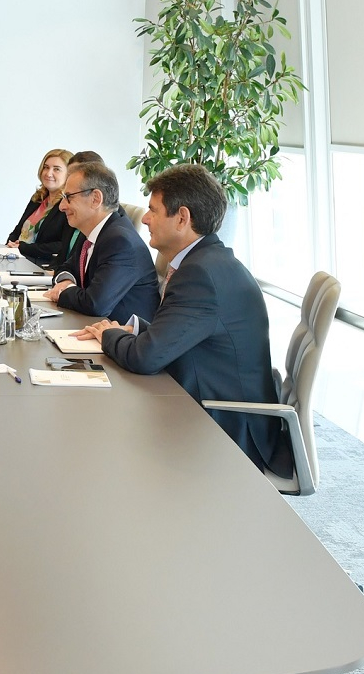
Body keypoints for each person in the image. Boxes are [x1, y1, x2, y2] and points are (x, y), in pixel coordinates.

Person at [71, 163, 289, 475]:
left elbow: (145, 357)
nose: (145, 219)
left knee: (106, 440)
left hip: (226, 427)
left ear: (182, 218)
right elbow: (187, 334)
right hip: (205, 398)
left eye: (153, 210)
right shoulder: (209, 261)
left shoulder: (200, 274)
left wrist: (108, 334)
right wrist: (135, 329)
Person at [41, 161, 159, 323]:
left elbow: (95, 304)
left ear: (96, 199)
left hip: (122, 334)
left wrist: (64, 291)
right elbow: (65, 267)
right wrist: (67, 281)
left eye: (68, 197)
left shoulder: (120, 242)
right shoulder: (91, 231)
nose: (62, 206)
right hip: (91, 325)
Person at [5, 149, 73, 267]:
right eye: (46, 167)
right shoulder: (38, 198)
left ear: (69, 174)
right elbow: (18, 230)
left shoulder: (68, 205)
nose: (48, 173)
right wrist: (10, 244)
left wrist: (23, 248)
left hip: (42, 266)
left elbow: (63, 245)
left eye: (56, 169)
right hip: (16, 259)